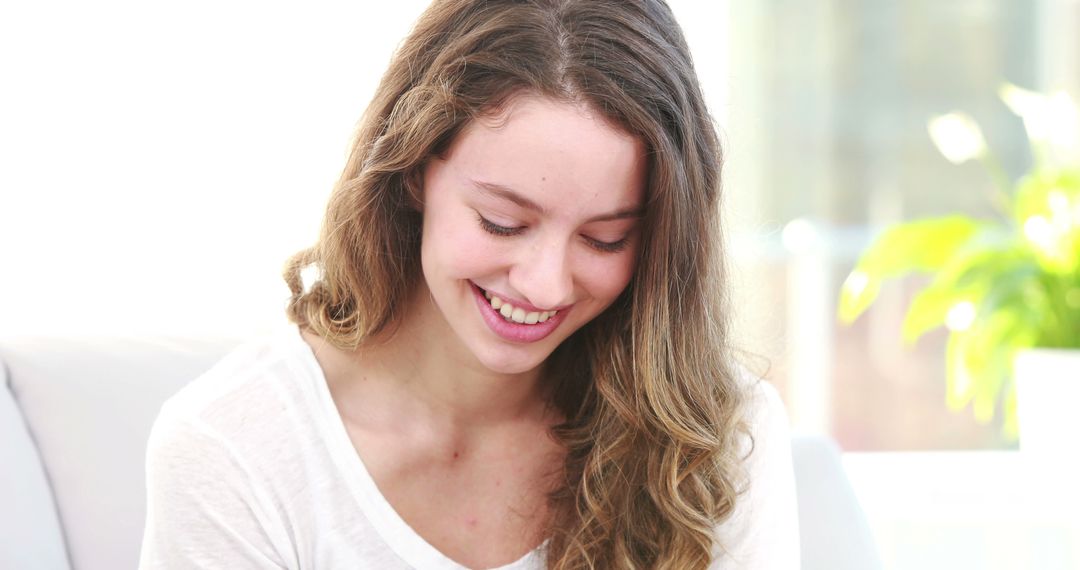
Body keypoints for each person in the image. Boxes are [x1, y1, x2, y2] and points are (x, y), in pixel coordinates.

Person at [138, 0, 799, 568]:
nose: (543, 286)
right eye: (502, 222)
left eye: (605, 238)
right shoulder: (237, 448)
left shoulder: (715, 439)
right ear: (413, 170)